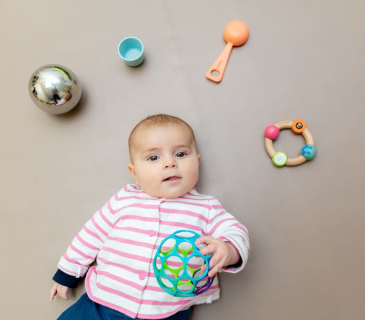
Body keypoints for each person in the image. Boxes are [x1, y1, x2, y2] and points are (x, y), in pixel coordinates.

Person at [49, 114, 250, 320]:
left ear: (197, 161)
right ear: (134, 172)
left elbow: (235, 231)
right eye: (154, 157)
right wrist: (68, 272)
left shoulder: (206, 207)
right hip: (105, 301)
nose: (170, 163)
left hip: (167, 310)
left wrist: (229, 249)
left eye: (181, 154)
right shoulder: (124, 199)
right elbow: (92, 233)